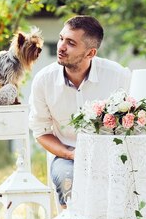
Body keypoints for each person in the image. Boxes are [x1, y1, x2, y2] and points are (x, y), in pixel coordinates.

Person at [28, 15, 131, 207]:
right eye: (61, 39)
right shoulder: (44, 81)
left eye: (71, 43)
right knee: (68, 180)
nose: (61, 47)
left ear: (91, 53)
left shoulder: (117, 76)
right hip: (66, 156)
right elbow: (41, 132)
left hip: (110, 155)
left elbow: (130, 123)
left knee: (131, 183)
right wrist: (72, 154)